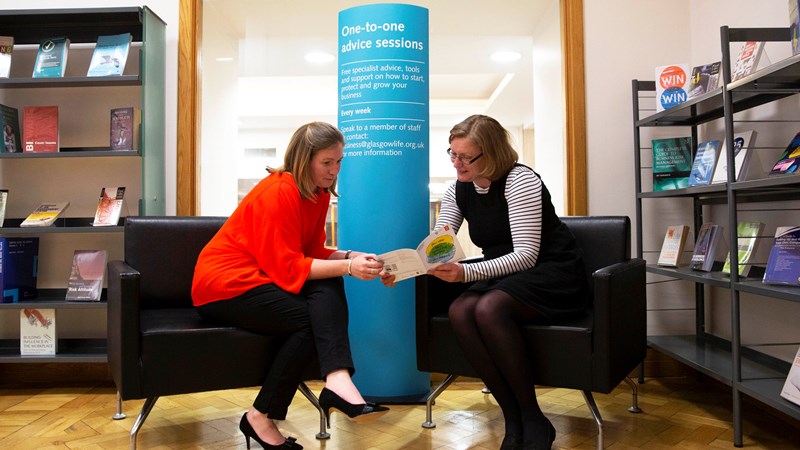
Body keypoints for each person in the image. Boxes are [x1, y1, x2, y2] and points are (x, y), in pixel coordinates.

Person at [382, 115, 588, 450]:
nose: (456, 163)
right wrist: (403, 269)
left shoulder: (520, 181)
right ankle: (513, 416)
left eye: (466, 157)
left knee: (489, 308)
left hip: (551, 270)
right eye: (452, 153)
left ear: (490, 154)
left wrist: (465, 273)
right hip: (503, 273)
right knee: (461, 310)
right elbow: (439, 245)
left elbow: (525, 256)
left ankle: (532, 416)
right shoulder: (457, 189)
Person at [192, 121, 388, 450]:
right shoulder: (277, 190)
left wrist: (353, 256)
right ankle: (271, 410)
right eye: (327, 162)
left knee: (328, 284)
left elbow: (310, 252)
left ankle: (334, 381)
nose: (335, 170)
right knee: (316, 314)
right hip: (223, 285)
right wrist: (349, 267)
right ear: (303, 159)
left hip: (260, 277)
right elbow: (287, 266)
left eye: (339, 161)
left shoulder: (318, 193)